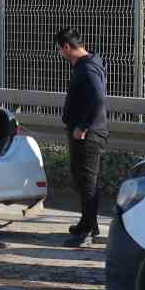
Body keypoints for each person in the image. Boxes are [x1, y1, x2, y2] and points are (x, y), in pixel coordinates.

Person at [56, 27, 108, 248]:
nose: (59, 53)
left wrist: (84, 126)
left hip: (88, 134)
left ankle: (85, 230)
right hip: (87, 132)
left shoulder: (87, 69)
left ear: (67, 47)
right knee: (83, 179)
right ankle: (89, 224)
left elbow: (98, 100)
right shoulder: (89, 64)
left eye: (59, 49)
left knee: (87, 182)